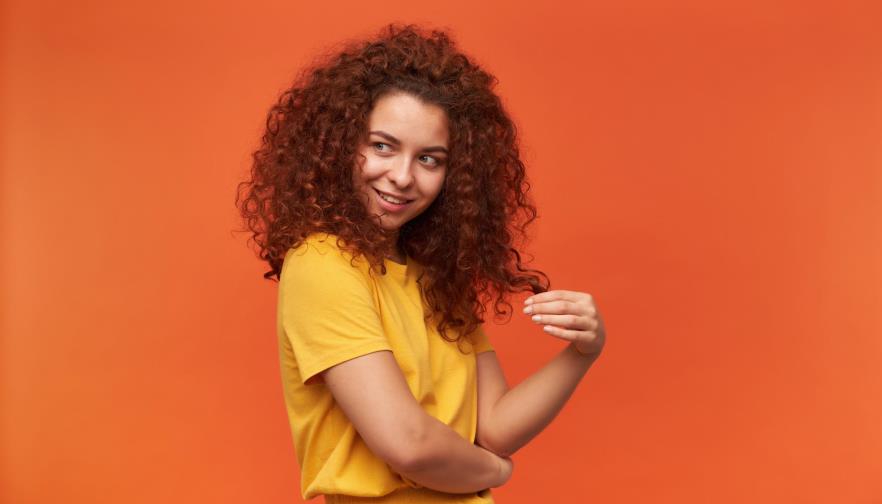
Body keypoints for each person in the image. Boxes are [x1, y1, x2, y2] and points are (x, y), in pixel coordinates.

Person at [236, 23, 606, 503]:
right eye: (382, 146)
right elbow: (407, 444)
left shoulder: (432, 277)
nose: (402, 177)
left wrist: (581, 354)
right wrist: (495, 472)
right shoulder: (322, 263)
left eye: (430, 159)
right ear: (340, 143)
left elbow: (494, 426)